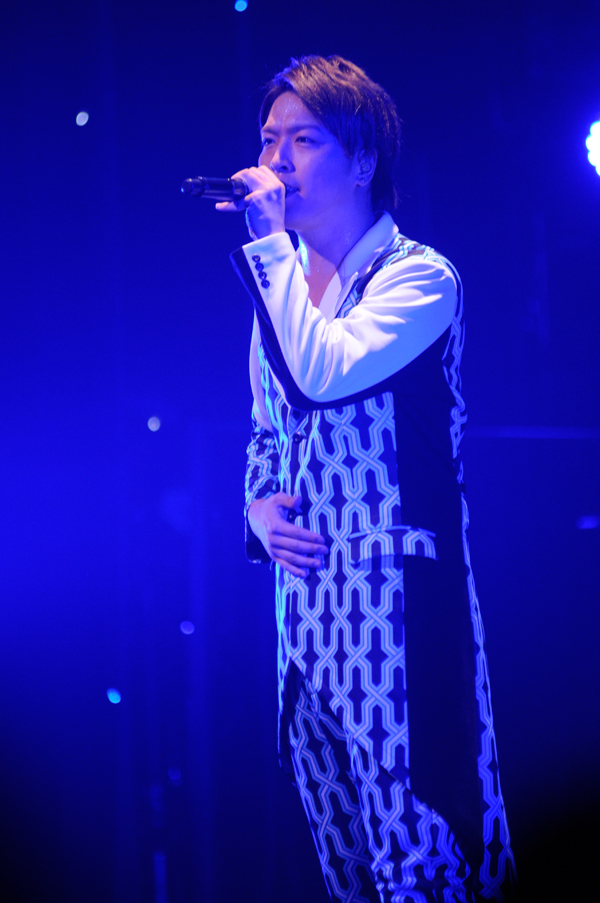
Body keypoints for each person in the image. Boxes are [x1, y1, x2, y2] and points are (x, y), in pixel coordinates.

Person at [219, 55, 516, 903]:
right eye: (268, 139)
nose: (276, 160)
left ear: (362, 161)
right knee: (348, 877)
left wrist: (270, 248)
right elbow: (269, 428)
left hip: (397, 619)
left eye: (303, 140)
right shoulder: (281, 292)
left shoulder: (419, 277)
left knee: (423, 867)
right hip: (306, 629)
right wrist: (257, 510)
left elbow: (324, 372)